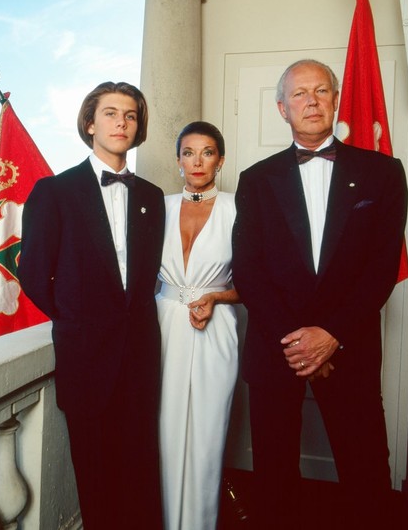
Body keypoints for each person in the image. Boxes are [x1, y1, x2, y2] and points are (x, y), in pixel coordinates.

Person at [231, 59, 408, 529]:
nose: (312, 101)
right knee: (274, 480)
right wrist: (300, 342)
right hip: (277, 350)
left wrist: (331, 334)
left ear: (336, 98)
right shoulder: (255, 179)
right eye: (299, 94)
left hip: (348, 346)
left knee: (366, 472)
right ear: (282, 108)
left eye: (322, 90)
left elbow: (380, 269)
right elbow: (249, 271)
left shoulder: (384, 173)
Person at [18, 81, 165, 530]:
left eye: (131, 115)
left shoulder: (152, 197)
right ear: (89, 123)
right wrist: (79, 320)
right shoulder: (54, 192)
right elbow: (34, 276)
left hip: (140, 356)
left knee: (141, 474)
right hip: (86, 359)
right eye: (110, 113)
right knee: (97, 479)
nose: (121, 122)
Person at [157, 121, 240, 530]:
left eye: (207, 152)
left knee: (207, 432)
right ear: (178, 161)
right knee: (163, 428)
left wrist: (216, 298)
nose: (197, 161)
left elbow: (260, 280)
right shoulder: (159, 207)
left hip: (216, 325)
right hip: (163, 325)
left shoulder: (238, 209)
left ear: (220, 160)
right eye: (188, 152)